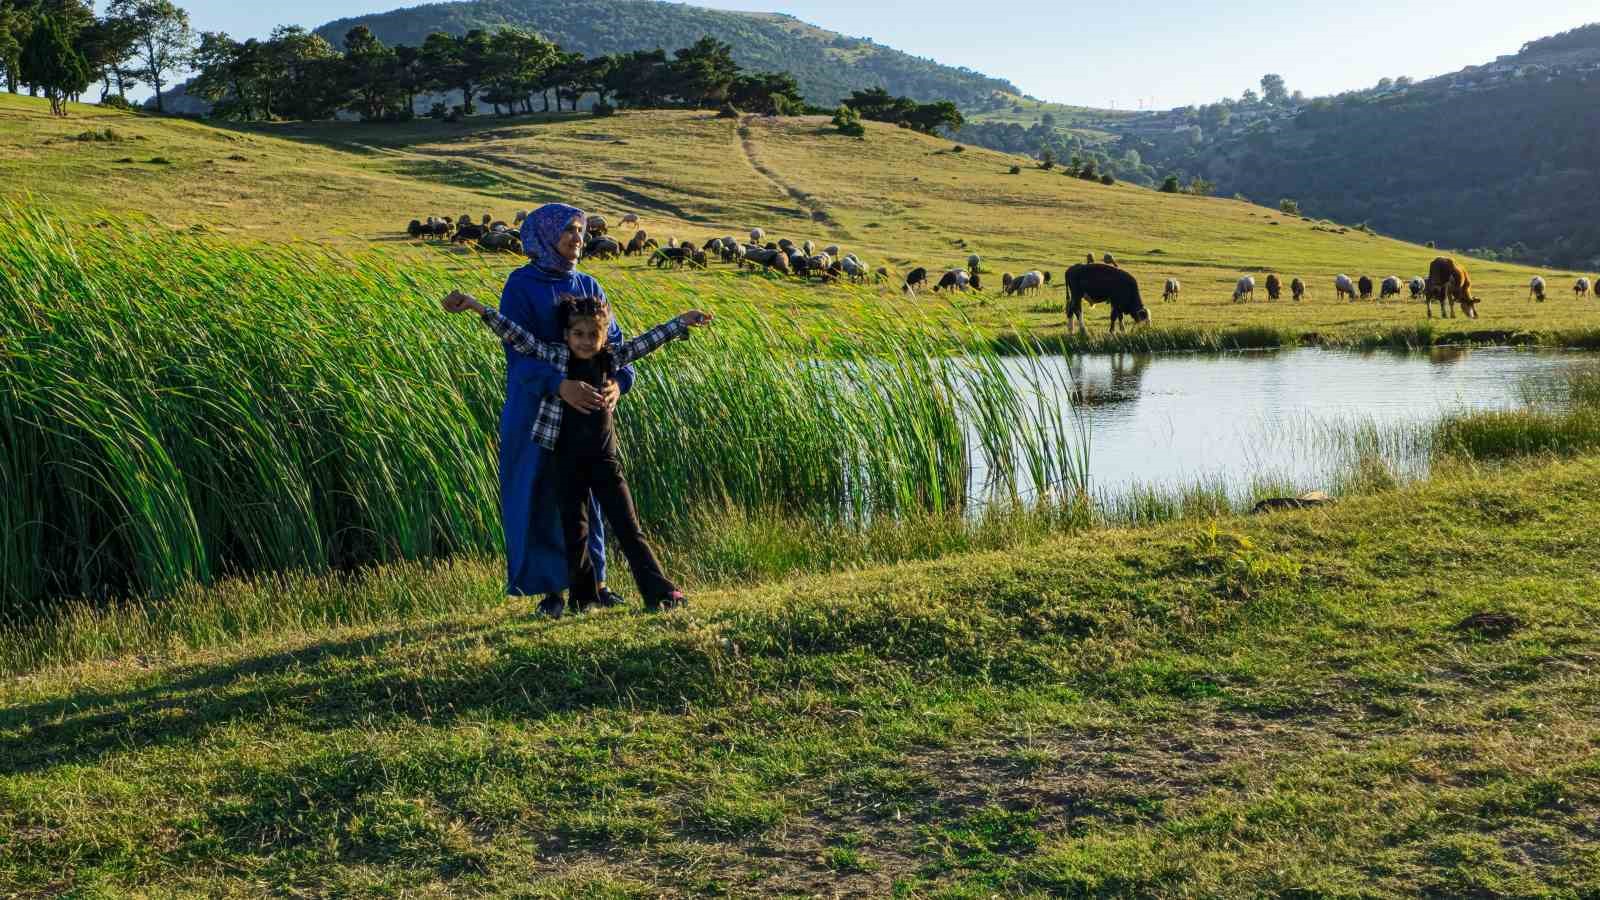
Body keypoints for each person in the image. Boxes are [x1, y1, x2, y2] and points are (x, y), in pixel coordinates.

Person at [443, 290, 713, 615]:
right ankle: (583, 599)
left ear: (604, 336)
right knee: (575, 532)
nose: (586, 341)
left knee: (629, 527)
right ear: (567, 335)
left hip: (604, 461)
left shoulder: (610, 359)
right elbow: (515, 335)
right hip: (565, 461)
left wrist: (681, 321)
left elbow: (647, 342)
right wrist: (477, 307)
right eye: (579, 334)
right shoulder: (555, 357)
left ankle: (660, 592)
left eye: (594, 335)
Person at [483, 203, 633, 610]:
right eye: (569, 230)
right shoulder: (521, 286)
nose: (578, 238)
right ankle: (552, 590)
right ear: (546, 234)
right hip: (536, 410)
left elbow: (616, 347)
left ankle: (596, 584)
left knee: (591, 497)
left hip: (587, 412)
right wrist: (558, 385)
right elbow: (520, 352)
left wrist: (619, 382)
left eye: (582, 231)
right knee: (543, 492)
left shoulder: (590, 285)